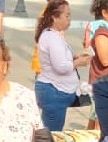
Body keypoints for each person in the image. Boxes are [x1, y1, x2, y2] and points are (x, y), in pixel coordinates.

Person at [34, 0, 92, 132]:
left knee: (53, 131)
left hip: (56, 91)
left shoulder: (53, 35)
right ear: (55, 17)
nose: (69, 19)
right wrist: (78, 62)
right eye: (66, 16)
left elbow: (59, 60)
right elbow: (61, 67)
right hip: (54, 92)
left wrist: (74, 57)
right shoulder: (52, 37)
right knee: (51, 134)